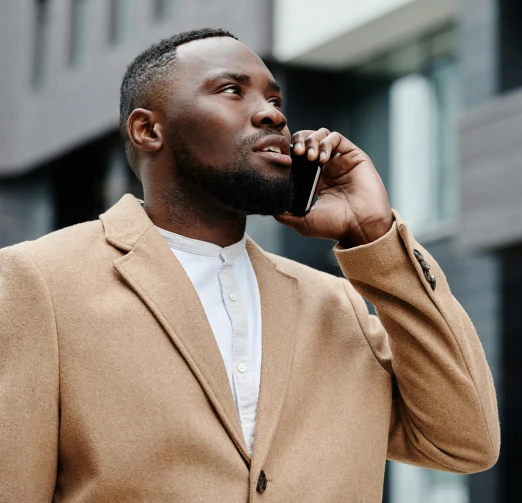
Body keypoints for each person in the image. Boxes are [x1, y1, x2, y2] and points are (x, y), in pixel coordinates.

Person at [0, 28, 499, 503]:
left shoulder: (336, 304)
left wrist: (374, 235)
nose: (272, 116)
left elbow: (466, 441)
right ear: (149, 129)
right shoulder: (40, 282)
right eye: (231, 91)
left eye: (275, 100)